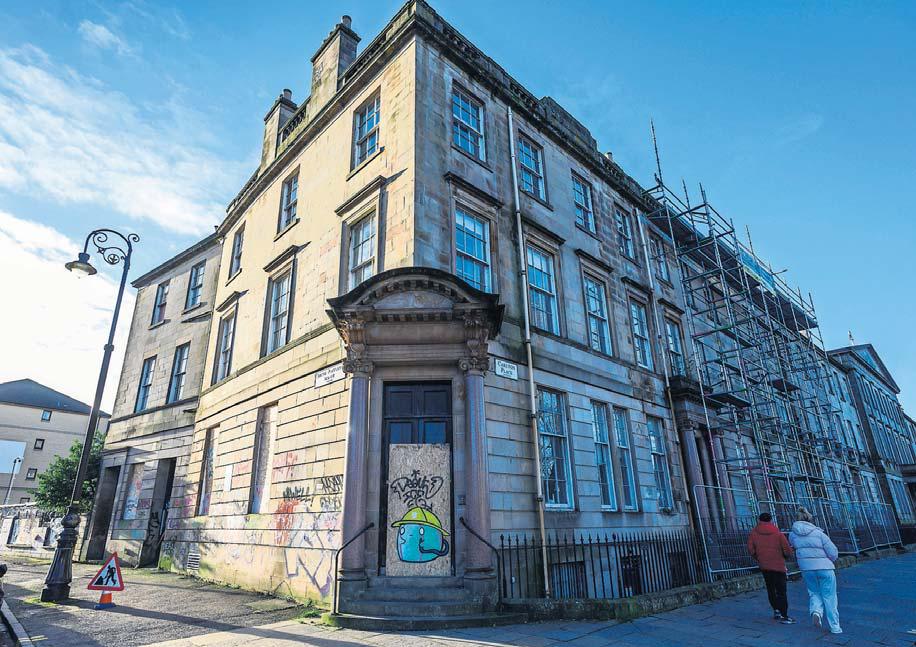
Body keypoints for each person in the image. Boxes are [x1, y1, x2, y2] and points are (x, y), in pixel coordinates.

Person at [788, 507, 841, 634]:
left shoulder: (792, 535)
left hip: (807, 568)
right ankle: (835, 626)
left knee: (814, 592)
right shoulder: (819, 534)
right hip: (825, 567)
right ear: (809, 519)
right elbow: (833, 552)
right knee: (829, 596)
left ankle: (816, 611)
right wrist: (830, 559)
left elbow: (793, 547)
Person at [747, 512, 795, 624]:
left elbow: (750, 549)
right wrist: (784, 557)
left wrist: (758, 557)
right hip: (778, 565)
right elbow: (787, 550)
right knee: (781, 591)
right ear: (770, 520)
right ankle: (784, 615)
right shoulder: (777, 533)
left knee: (771, 589)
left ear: (759, 520)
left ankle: (776, 610)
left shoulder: (754, 533)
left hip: (765, 566)